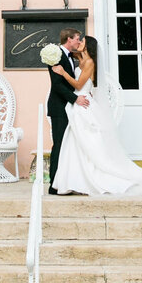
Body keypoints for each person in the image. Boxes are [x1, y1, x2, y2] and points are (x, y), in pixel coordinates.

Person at [51, 35, 142, 197]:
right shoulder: (81, 60)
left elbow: (78, 84)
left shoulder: (90, 63)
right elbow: (68, 55)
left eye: (82, 42)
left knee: (88, 142)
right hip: (77, 104)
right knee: (75, 142)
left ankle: (93, 178)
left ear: (88, 46)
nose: (79, 43)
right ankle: (75, 180)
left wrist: (63, 73)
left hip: (83, 104)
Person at [46, 27, 90, 195]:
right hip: (59, 107)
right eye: (77, 38)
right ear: (69, 39)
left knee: (69, 146)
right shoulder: (55, 55)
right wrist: (75, 99)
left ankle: (66, 181)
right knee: (59, 144)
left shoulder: (72, 57)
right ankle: (54, 185)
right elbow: (57, 85)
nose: (79, 41)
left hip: (71, 108)